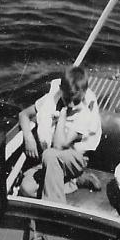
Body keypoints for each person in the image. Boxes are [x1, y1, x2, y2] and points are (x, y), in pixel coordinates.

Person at [18, 65, 102, 203]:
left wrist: (62, 114)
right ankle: (76, 181)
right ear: (61, 90)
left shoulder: (86, 112)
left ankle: (54, 212)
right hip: (50, 162)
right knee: (26, 188)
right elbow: (24, 114)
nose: (71, 105)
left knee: (50, 154)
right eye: (67, 98)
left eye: (76, 100)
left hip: (74, 160)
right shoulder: (51, 100)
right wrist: (28, 137)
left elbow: (58, 146)